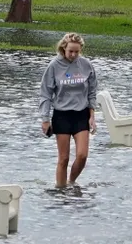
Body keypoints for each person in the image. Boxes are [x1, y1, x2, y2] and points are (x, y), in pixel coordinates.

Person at [38, 32, 98, 188]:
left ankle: (71, 182)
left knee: (82, 155)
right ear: (63, 49)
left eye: (77, 51)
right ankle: (60, 191)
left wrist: (92, 116)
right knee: (63, 158)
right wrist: (45, 119)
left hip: (81, 115)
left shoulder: (86, 65)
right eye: (71, 51)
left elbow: (92, 91)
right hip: (62, 115)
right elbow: (46, 93)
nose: (73, 54)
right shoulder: (54, 66)